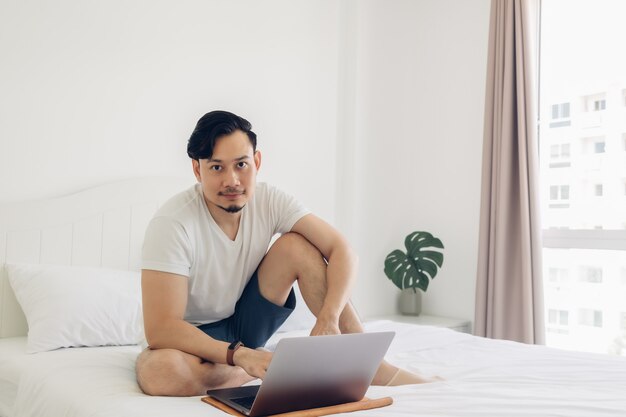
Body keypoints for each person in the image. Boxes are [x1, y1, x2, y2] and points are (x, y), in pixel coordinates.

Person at [136, 110, 434, 396]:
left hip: (246, 321)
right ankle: (273, 366)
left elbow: (342, 250)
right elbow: (162, 328)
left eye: (241, 165)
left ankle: (370, 365)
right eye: (216, 167)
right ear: (196, 169)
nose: (232, 181)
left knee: (297, 246)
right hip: (194, 340)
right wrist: (240, 356)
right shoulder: (173, 223)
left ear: (257, 161)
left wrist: (329, 319)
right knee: (160, 372)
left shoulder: (270, 200)